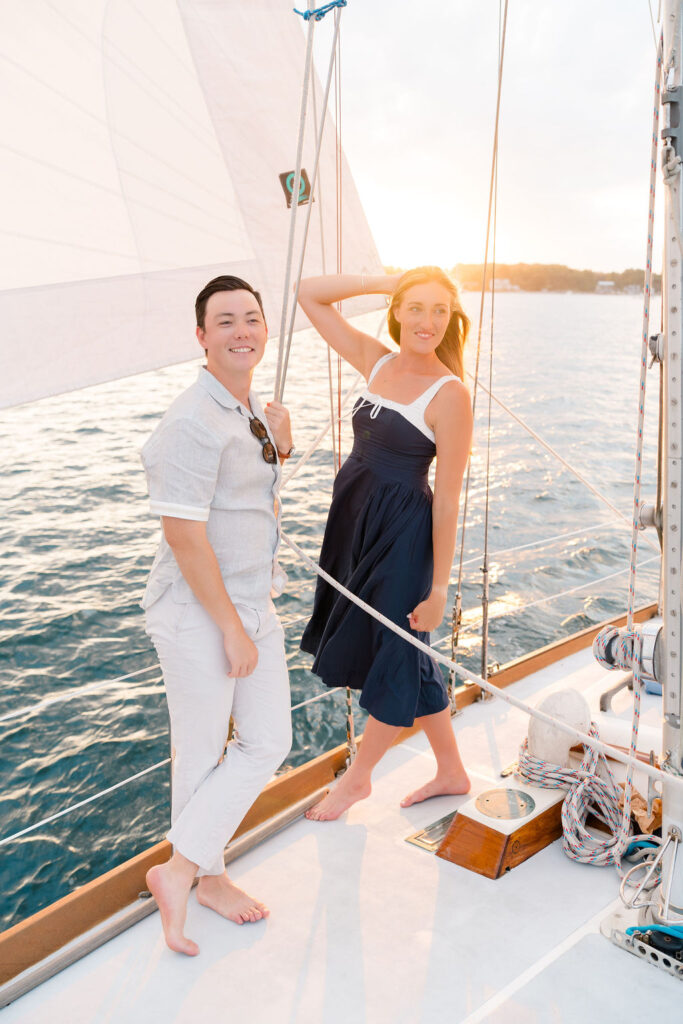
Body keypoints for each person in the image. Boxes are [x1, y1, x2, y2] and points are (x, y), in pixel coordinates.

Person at [141, 275, 294, 955]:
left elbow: (247, 492)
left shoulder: (247, 404)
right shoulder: (190, 422)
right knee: (203, 753)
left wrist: (282, 446)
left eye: (251, 318)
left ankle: (180, 872)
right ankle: (205, 877)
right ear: (201, 337)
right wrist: (231, 628)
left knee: (268, 741)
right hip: (199, 612)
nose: (242, 331)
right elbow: (183, 535)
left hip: (251, 600)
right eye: (225, 321)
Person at [298, 268, 473, 821]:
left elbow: (448, 500)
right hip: (356, 523)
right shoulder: (377, 361)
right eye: (415, 307)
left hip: (403, 536)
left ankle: (358, 779)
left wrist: (440, 588)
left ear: (451, 319)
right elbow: (310, 295)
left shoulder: (450, 394)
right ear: (396, 310)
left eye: (439, 310)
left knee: (397, 647)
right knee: (411, 648)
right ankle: (452, 770)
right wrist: (388, 280)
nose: (428, 321)